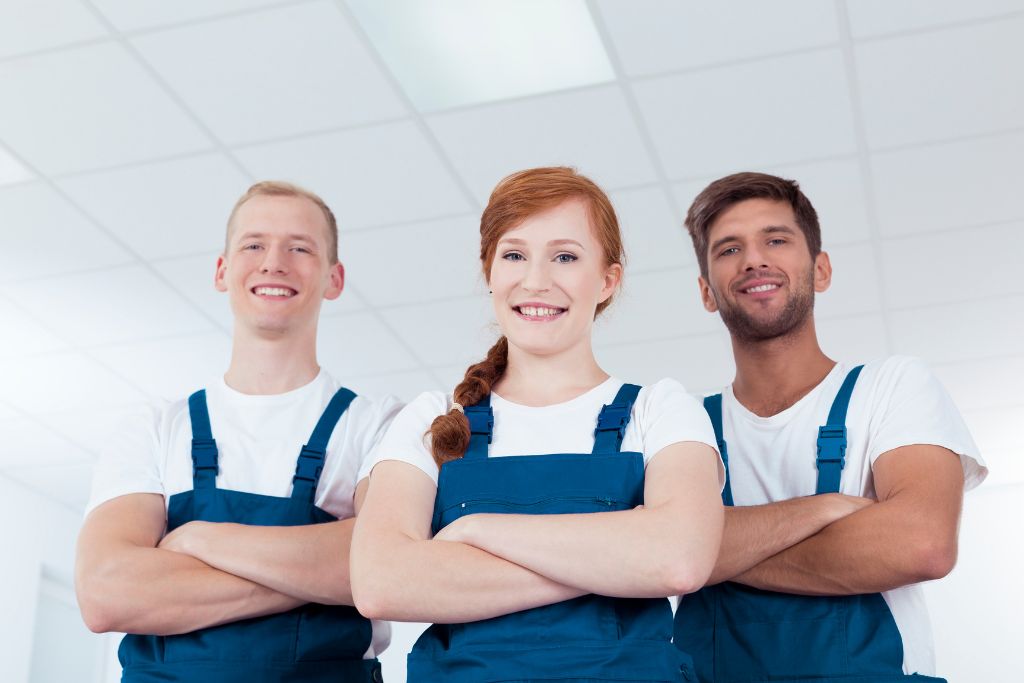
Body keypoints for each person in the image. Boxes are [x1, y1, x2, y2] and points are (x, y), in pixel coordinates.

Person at [350, 166, 725, 683]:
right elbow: (379, 582)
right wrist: (614, 561)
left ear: (608, 279)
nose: (536, 280)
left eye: (566, 257)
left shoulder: (660, 409)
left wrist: (476, 531)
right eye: (514, 255)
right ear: (489, 274)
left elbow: (680, 558)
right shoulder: (432, 420)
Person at [75, 181, 401, 682]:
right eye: (254, 245)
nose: (274, 262)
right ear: (222, 271)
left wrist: (197, 539)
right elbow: (104, 593)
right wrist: (323, 570)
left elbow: (386, 563)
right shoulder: (155, 428)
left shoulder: (378, 425)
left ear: (334, 279)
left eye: (300, 247)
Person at [672, 172, 987, 682]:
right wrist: (825, 510)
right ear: (707, 292)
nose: (754, 259)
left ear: (820, 270)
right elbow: (649, 549)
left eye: (776, 239)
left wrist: (704, 552)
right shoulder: (683, 423)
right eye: (729, 249)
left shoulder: (892, 387)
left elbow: (922, 543)